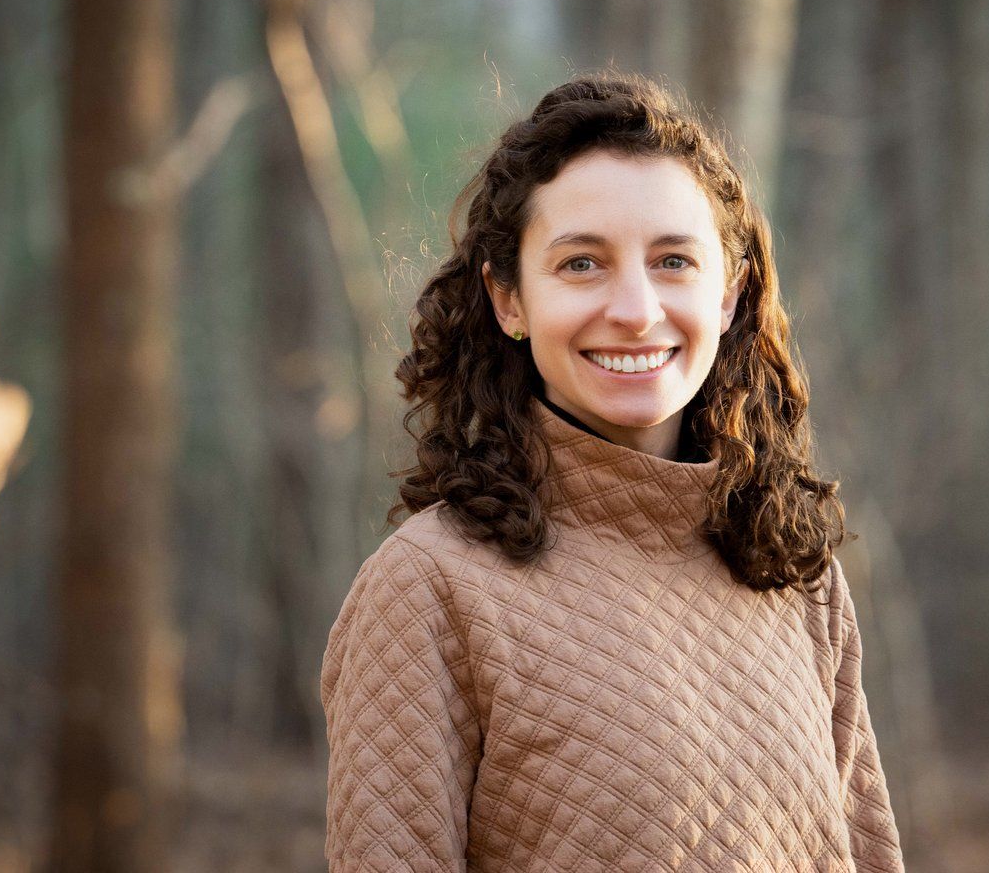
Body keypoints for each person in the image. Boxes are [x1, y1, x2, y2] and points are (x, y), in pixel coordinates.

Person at [321, 74, 905, 872]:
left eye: (673, 260)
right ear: (508, 300)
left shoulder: (794, 575)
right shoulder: (431, 587)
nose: (634, 308)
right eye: (582, 264)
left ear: (728, 296)